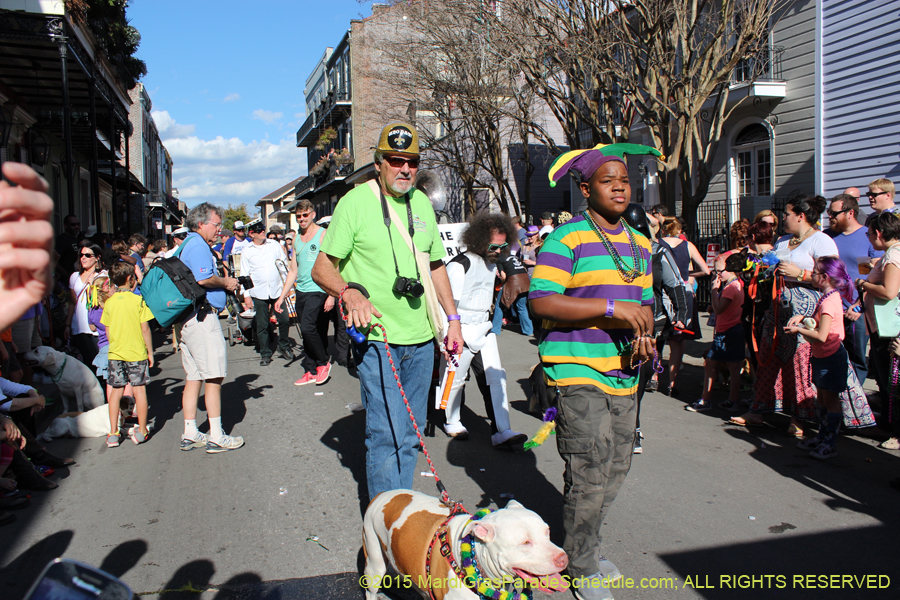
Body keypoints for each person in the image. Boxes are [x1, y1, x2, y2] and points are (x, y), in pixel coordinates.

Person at [530, 142, 659, 600]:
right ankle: (582, 566)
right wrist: (610, 308)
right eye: (608, 181)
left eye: (625, 180)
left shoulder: (641, 244)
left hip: (625, 373)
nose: (620, 188)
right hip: (576, 369)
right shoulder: (567, 239)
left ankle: (583, 546)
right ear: (586, 190)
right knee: (588, 469)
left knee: (615, 468)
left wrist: (644, 334)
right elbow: (541, 300)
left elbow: (644, 305)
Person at [311, 122, 463, 501]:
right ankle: (385, 522)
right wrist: (348, 293)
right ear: (379, 163)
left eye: (412, 161)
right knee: (386, 433)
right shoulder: (354, 202)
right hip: (377, 340)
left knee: (410, 433)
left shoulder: (422, 202)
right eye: (395, 160)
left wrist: (453, 320)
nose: (405, 169)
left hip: (422, 340)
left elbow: (436, 265)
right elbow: (321, 269)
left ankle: (401, 512)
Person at [731, 195, 839, 437]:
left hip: (804, 310)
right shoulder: (783, 241)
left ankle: (799, 417)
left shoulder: (821, 241)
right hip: (777, 306)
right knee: (767, 357)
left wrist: (800, 273)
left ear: (800, 216)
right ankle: (757, 410)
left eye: (787, 214)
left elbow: (832, 277)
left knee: (798, 362)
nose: (783, 218)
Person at [440, 212, 527, 447]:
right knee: (455, 378)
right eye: (493, 246)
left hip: (484, 328)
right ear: (478, 240)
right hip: (461, 328)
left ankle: (502, 430)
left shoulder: (492, 264)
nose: (498, 251)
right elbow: (446, 304)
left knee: (496, 378)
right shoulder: (460, 264)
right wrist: (446, 337)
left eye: (502, 247)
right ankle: (452, 420)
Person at [177, 203, 244, 454]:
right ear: (201, 223)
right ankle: (216, 435)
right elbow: (204, 278)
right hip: (202, 318)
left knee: (194, 376)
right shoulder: (198, 245)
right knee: (214, 377)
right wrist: (226, 282)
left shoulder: (187, 243)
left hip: (189, 318)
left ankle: (190, 432)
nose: (219, 229)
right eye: (216, 224)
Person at [785, 257, 854, 459]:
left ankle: (829, 443)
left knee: (830, 401)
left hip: (831, 359)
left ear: (824, 277)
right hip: (822, 356)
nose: (811, 274)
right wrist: (804, 319)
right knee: (822, 399)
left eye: (814, 272)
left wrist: (798, 330)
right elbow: (819, 324)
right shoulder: (828, 297)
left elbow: (822, 335)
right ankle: (822, 437)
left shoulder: (829, 302)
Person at [856, 212, 900, 451]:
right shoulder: (891, 254)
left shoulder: (893, 254)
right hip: (883, 326)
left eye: (869, 233)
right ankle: (888, 423)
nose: (869, 238)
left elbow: (889, 291)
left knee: (891, 380)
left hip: (888, 328)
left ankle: (894, 429)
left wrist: (863, 284)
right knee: (886, 379)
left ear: (879, 233)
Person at [824, 193, 878, 383]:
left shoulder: (868, 236)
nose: (830, 217)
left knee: (856, 360)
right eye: (829, 212)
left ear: (850, 213)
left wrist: (859, 305)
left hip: (856, 310)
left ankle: (855, 398)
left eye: (834, 213)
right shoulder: (826, 237)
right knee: (829, 357)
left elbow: (876, 275)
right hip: (829, 307)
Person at [277, 201, 332, 385]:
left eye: (305, 215)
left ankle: (323, 362)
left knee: (308, 327)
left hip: (319, 289)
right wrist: (282, 295)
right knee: (307, 332)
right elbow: (293, 270)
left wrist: (332, 295)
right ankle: (311, 370)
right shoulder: (297, 239)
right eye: (299, 216)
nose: (302, 219)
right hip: (301, 290)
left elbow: (334, 264)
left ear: (313, 214)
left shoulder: (323, 234)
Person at [102, 261, 154, 447]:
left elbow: (107, 330)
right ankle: (142, 430)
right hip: (136, 352)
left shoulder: (109, 303)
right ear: (130, 278)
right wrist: (150, 352)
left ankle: (113, 432)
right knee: (139, 390)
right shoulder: (137, 300)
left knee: (115, 392)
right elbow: (145, 329)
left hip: (116, 353)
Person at [685, 253, 745, 413]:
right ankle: (732, 401)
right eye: (716, 271)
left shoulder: (730, 288)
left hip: (727, 331)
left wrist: (713, 290)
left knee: (711, 364)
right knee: (733, 367)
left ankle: (706, 400)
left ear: (731, 269)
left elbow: (719, 309)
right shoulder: (737, 284)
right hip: (732, 329)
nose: (717, 275)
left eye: (720, 271)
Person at [658, 216, 710, 396]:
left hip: (661, 293)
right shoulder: (688, 246)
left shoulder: (656, 245)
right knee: (677, 341)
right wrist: (686, 274)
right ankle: (672, 384)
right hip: (682, 294)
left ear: (663, 230)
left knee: (658, 337)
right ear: (680, 231)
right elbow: (706, 270)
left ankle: (653, 377)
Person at [242, 221, 293, 366]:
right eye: (259, 231)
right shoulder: (247, 250)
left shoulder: (274, 245)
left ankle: (284, 345)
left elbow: (283, 266)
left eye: (263, 229)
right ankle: (265, 353)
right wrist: (246, 295)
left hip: (277, 291)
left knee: (284, 319)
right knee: (262, 324)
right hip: (259, 292)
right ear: (251, 234)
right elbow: (245, 275)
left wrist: (286, 286)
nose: (263, 232)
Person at [66, 243, 102, 366]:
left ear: (97, 258)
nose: (83, 258)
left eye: (87, 255)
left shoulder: (103, 276)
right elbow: (73, 303)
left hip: (97, 326)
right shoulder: (74, 277)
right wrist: (67, 325)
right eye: (81, 255)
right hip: (79, 326)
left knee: (100, 362)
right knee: (87, 362)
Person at [491, 250, 533, 336]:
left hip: (513, 281)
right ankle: (528, 331)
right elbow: (524, 269)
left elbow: (504, 276)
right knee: (521, 306)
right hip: (525, 281)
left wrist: (503, 284)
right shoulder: (515, 257)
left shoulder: (499, 259)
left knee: (500, 305)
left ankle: (495, 329)